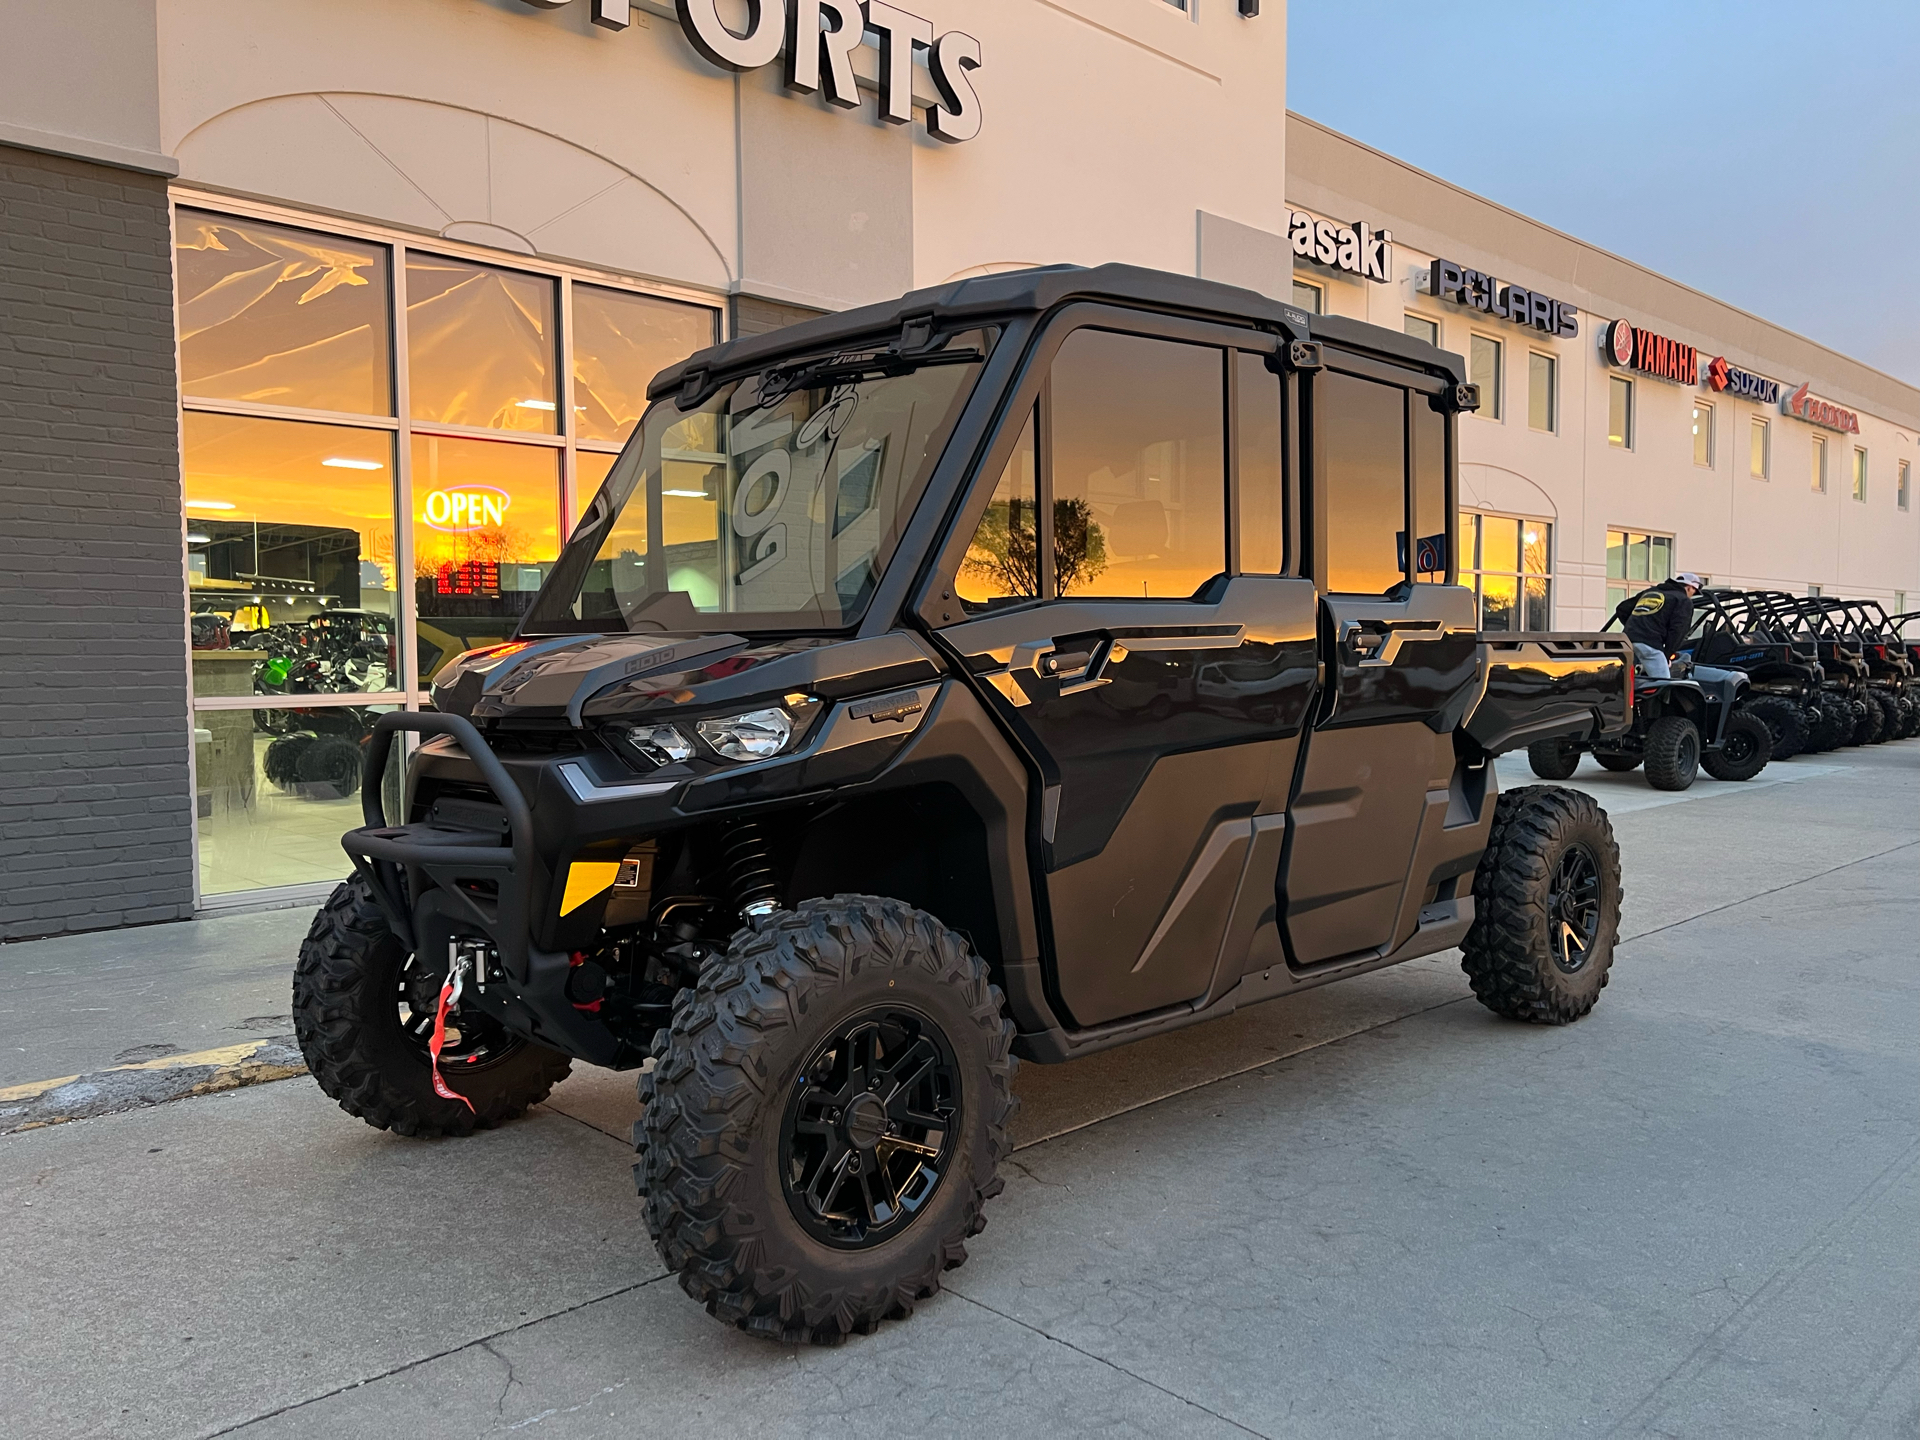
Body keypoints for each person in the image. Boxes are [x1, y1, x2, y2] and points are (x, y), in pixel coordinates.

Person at [1617, 571, 1705, 680]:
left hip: (1627, 641)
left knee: (1629, 681)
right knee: (1663, 683)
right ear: (1689, 588)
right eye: (1694, 592)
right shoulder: (1683, 601)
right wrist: (1667, 654)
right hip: (1650, 644)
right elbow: (1678, 631)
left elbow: (1622, 608)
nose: (1692, 596)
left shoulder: (1650, 592)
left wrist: (1636, 627)